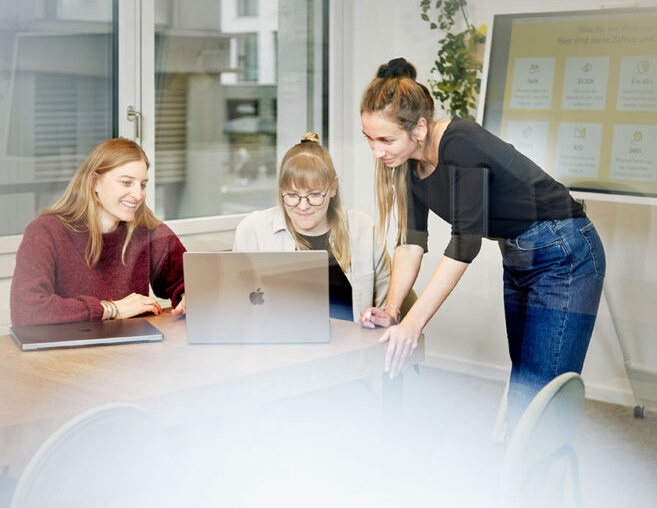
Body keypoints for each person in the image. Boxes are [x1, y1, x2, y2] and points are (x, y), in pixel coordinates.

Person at [359, 58, 606, 417]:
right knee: (525, 394)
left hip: (563, 251)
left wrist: (414, 325)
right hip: (521, 254)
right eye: (369, 139)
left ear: (420, 127)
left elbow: (464, 245)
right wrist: (393, 312)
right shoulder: (409, 163)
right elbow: (411, 241)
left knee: (543, 401)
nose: (377, 151)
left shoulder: (460, 143)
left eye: (386, 139)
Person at [10, 138, 186, 326]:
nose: (138, 195)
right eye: (126, 183)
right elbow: (26, 310)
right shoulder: (45, 232)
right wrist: (111, 309)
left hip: (132, 350)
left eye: (142, 185)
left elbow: (191, 280)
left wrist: (188, 296)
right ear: (94, 182)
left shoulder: (147, 230)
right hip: (65, 352)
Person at [233, 132, 390, 322]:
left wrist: (384, 318)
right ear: (281, 190)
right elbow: (234, 304)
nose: (303, 206)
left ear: (333, 188)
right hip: (276, 348)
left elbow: (387, 307)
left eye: (315, 195)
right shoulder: (253, 230)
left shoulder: (364, 229)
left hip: (352, 347)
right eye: (292, 195)